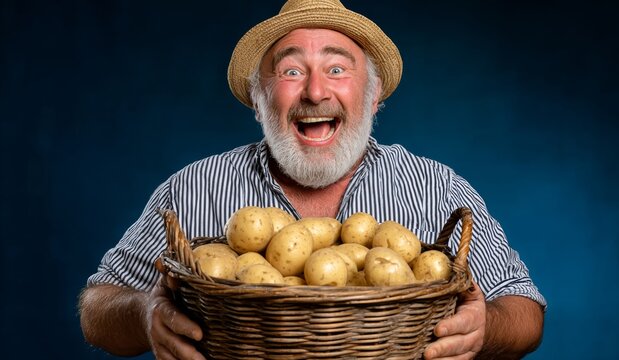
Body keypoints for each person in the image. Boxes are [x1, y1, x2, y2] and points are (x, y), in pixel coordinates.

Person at [78, 0, 546, 359]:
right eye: (292, 71)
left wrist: (484, 328)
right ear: (260, 100)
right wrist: (144, 315)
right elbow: (97, 305)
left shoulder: (436, 187)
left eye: (337, 69)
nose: (316, 91)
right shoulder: (192, 189)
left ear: (374, 94)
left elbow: (524, 308)